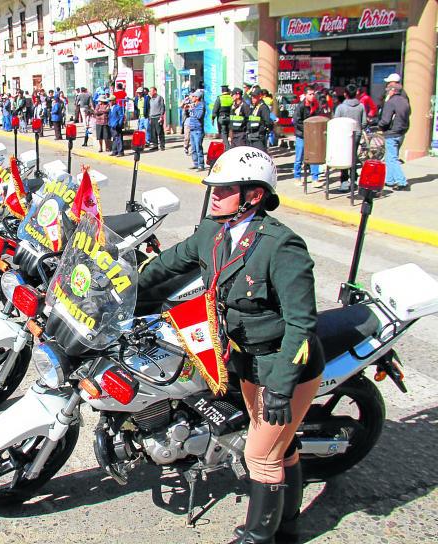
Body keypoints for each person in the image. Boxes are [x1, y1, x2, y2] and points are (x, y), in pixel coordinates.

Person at [138, 146, 323, 544]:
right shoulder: (213, 231)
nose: (215, 195)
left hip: (282, 364)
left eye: (225, 189)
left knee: (260, 455)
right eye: (215, 188)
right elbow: (167, 264)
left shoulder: (281, 246)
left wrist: (281, 386)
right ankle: (288, 526)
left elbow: (301, 324)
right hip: (245, 359)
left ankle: (259, 537)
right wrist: (122, 289)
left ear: (253, 195)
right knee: (278, 445)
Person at [378, 82, 411, 191]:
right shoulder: (405, 101)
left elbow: (385, 120)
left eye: (388, 90)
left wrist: (380, 125)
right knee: (390, 157)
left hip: (392, 132)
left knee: (392, 158)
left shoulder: (390, 102)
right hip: (402, 132)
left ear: (393, 91)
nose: (387, 92)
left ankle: (402, 182)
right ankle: (389, 180)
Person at [334, 84, 367, 192]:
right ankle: (354, 181)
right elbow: (364, 122)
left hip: (343, 135)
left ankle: (344, 182)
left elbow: (336, 122)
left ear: (345, 94)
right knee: (353, 157)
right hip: (356, 134)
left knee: (344, 158)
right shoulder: (361, 106)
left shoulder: (340, 107)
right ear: (356, 93)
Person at [293, 85, 320, 184]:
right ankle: (297, 177)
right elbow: (297, 121)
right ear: (305, 95)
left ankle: (315, 178)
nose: (312, 96)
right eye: (310, 94)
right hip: (301, 135)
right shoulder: (300, 106)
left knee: (314, 157)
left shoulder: (315, 105)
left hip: (312, 135)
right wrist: (307, 130)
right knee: (299, 157)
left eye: (313, 94)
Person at [188, 90, 205, 170]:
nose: (192, 98)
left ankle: (201, 165)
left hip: (198, 130)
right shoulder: (193, 105)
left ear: (197, 98)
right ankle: (195, 163)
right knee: (193, 148)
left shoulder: (201, 105)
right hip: (192, 129)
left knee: (198, 148)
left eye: (193, 96)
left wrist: (193, 109)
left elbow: (199, 116)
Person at [213, 85, 233, 149]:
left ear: (222, 91)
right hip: (230, 118)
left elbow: (215, 109)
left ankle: (227, 147)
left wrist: (213, 118)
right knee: (228, 132)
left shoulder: (219, 98)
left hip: (222, 118)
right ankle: (227, 145)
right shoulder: (231, 97)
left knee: (223, 133)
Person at [148, 87, 166, 151]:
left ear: (155, 91)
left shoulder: (159, 98)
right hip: (152, 117)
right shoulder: (151, 99)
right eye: (150, 91)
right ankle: (155, 145)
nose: (150, 92)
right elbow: (150, 109)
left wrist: (161, 116)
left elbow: (162, 107)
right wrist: (150, 117)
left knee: (160, 132)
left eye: (151, 91)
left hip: (158, 117)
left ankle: (162, 145)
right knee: (153, 133)